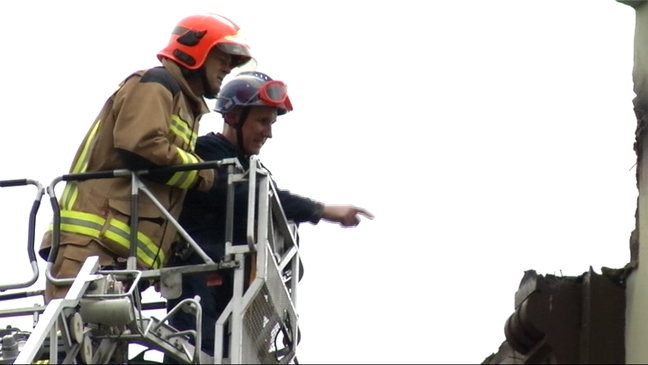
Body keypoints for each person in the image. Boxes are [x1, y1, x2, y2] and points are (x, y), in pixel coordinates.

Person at [38, 13, 255, 303]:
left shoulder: (185, 106)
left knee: (92, 344)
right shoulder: (156, 83)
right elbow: (141, 147)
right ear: (195, 51)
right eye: (222, 58)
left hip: (123, 262)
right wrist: (207, 176)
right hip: (90, 246)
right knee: (65, 343)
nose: (228, 68)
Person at [166, 71, 374, 356]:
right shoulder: (205, 153)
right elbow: (247, 196)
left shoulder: (256, 171)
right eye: (262, 121)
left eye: (271, 123)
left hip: (235, 287)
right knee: (192, 352)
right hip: (199, 275)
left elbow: (271, 201)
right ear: (233, 117)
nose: (269, 132)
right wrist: (323, 211)